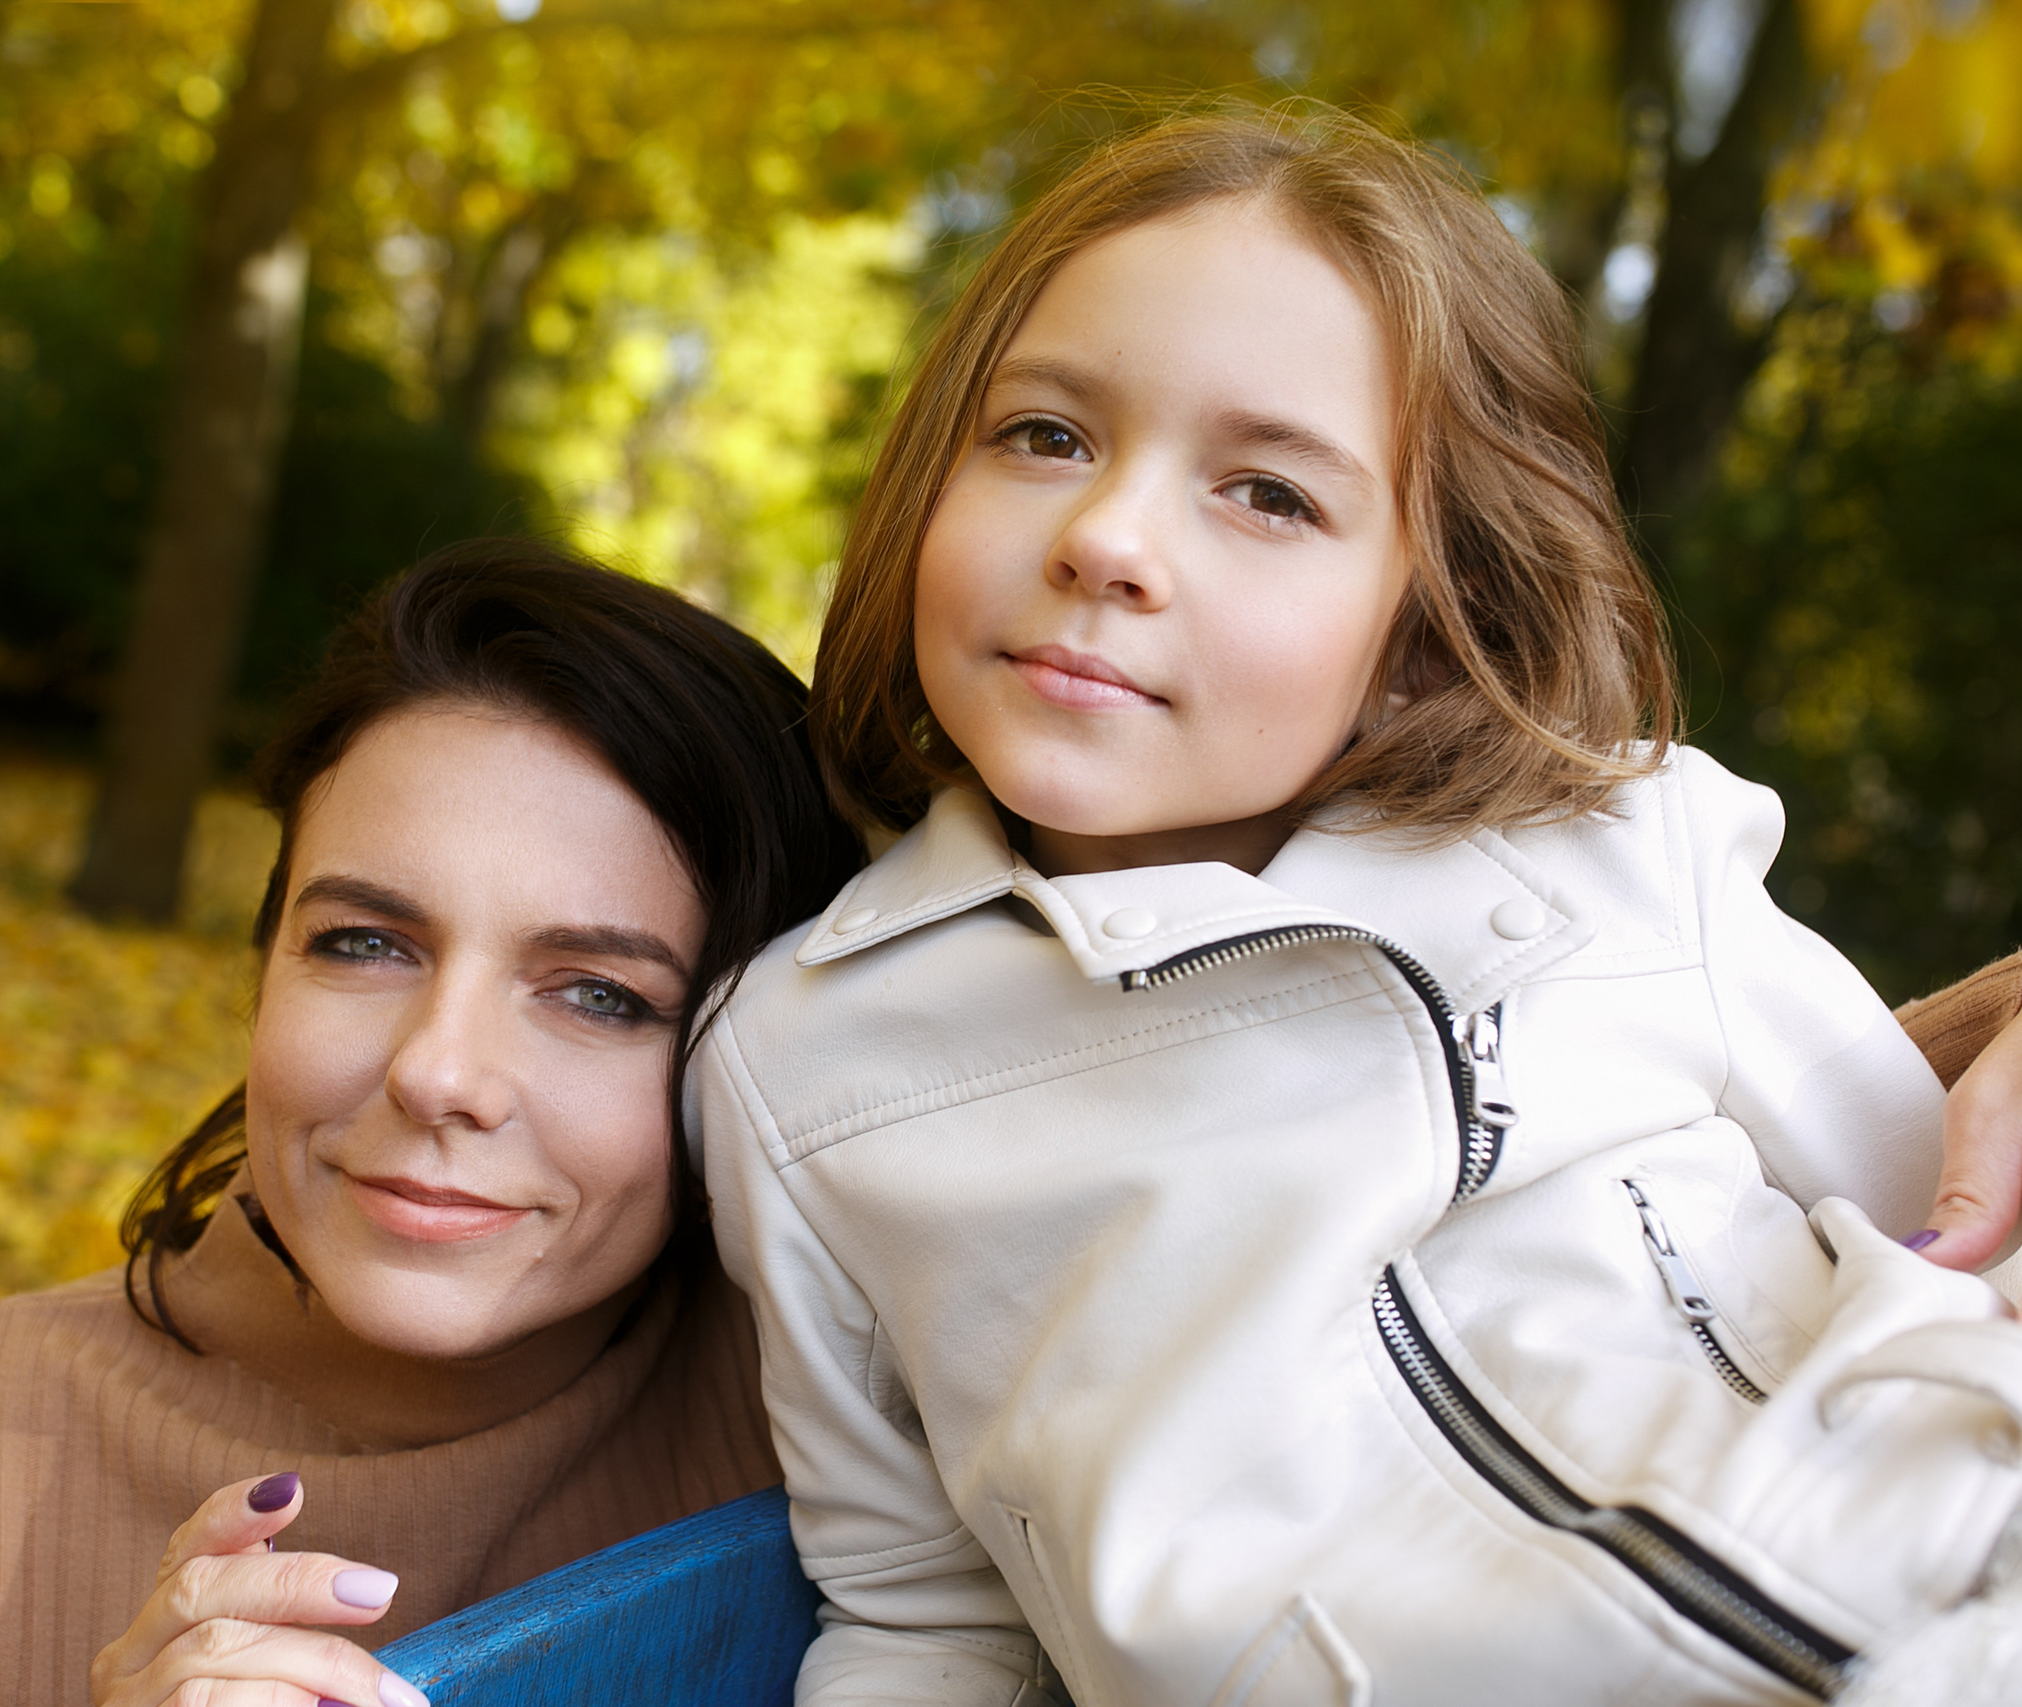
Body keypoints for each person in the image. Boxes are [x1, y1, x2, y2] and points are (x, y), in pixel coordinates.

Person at [697, 105, 2022, 1707]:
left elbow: (1937, 1233)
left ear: (1422, 623)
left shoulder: (1614, 846)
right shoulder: (807, 1060)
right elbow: (928, 1621)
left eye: (1266, 493)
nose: (1106, 539)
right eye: (1046, 433)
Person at [0, 542, 867, 1707]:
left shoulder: (866, 1443)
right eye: (365, 944)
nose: (437, 1072)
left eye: (600, 993)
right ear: (266, 961)